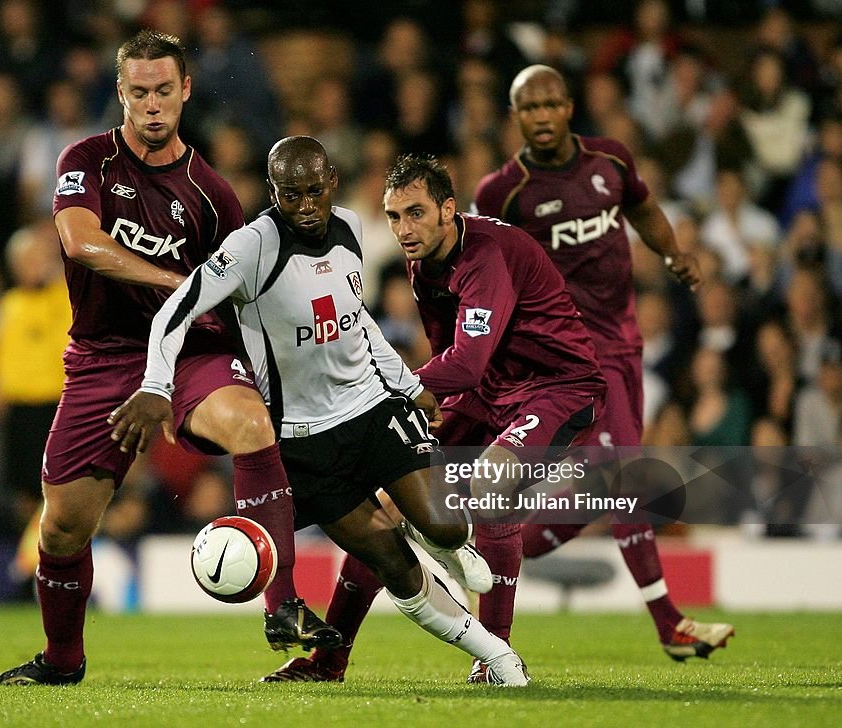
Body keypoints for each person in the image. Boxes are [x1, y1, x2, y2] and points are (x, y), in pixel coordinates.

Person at [108, 136, 529, 687]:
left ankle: (447, 545)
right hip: (303, 441)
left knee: (445, 526)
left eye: (314, 192)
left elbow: (359, 324)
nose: (305, 206)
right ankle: (497, 656)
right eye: (291, 195)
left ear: (331, 181)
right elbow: (175, 309)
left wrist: (408, 387)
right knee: (394, 568)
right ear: (273, 190)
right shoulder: (251, 247)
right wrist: (156, 384)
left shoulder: (352, 228)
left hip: (373, 410)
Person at [0, 31, 337, 688]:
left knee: (252, 426)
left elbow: (240, 298)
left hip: (190, 352)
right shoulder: (85, 160)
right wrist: (179, 283)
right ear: (121, 93)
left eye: (164, 91)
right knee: (60, 531)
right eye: (139, 91)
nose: (152, 104)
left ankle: (282, 602)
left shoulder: (212, 195)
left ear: (185, 92)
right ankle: (62, 662)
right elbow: (79, 241)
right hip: (103, 360)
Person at [266, 152, 609, 684]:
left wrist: (393, 394)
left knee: (494, 481)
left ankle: (494, 657)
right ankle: (328, 662)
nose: (404, 228)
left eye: (417, 213)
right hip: (487, 393)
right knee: (387, 506)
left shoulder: (486, 255)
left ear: (449, 209)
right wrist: (415, 410)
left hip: (555, 389)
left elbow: (465, 362)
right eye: (395, 216)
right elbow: (449, 354)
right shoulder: (421, 263)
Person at [472, 64, 732, 660]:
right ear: (515, 117)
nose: (540, 118)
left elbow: (641, 208)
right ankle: (669, 625)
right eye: (528, 109)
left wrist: (672, 255)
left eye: (549, 105)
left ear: (568, 107)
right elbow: (486, 272)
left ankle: (477, 554)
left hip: (625, 343)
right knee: (624, 477)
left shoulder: (609, 162)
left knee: (594, 490)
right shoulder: (502, 193)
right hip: (569, 358)